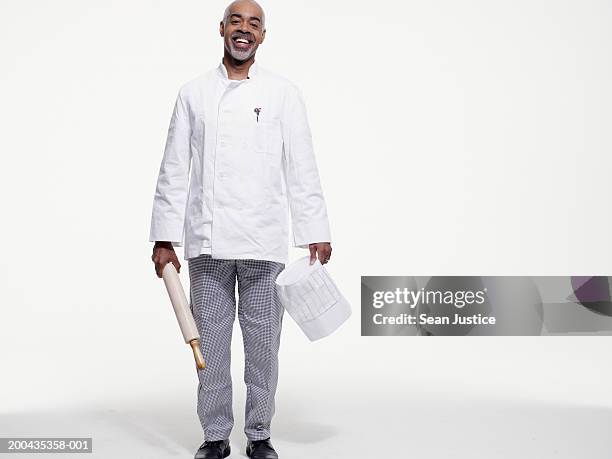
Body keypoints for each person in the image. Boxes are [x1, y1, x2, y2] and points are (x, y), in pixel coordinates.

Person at [149, 1, 332, 458]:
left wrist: (315, 228)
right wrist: (163, 237)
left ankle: (259, 434)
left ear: (263, 36)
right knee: (208, 345)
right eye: (237, 21)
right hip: (207, 244)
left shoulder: (284, 93)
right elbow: (174, 167)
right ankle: (214, 436)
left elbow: (302, 164)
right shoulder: (193, 93)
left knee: (263, 349)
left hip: (264, 241)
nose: (244, 30)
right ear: (222, 30)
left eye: (254, 23)